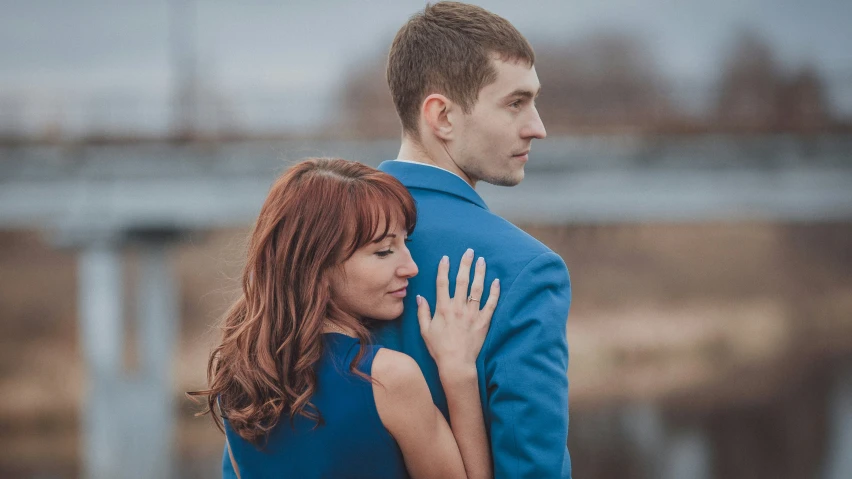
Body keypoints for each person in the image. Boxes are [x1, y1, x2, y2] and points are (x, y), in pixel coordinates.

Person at [190, 158, 501, 478]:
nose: (411, 267)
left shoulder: (235, 372)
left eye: (404, 244)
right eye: (383, 251)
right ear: (317, 267)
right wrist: (459, 370)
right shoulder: (387, 378)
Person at [374, 2, 572, 478]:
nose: (537, 127)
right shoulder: (528, 271)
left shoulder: (312, 239)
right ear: (442, 116)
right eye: (515, 103)